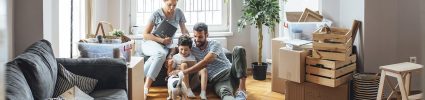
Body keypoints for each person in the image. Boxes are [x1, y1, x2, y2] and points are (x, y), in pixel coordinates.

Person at [171, 22, 248, 100]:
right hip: (219, 81)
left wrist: (183, 72)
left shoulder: (215, 44)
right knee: (225, 95)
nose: (197, 40)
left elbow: (206, 61)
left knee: (239, 49)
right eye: (195, 36)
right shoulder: (192, 46)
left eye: (200, 37)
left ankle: (242, 89)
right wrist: (170, 57)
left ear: (207, 35)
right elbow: (177, 47)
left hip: (231, 72)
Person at [142, 0, 189, 98]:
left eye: (174, 5)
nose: (172, 8)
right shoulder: (156, 14)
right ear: (164, 2)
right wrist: (162, 40)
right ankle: (146, 87)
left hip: (164, 47)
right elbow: (145, 34)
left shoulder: (179, 13)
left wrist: (186, 37)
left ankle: (136, 76)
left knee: (160, 54)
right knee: (161, 54)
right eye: (169, 5)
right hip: (150, 43)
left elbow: (184, 30)